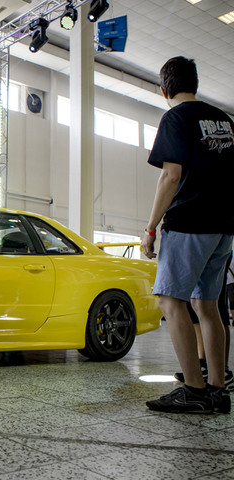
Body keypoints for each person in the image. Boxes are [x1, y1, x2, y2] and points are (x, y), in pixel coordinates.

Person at [142, 56, 234, 414]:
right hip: (222, 227)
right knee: (207, 306)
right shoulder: (224, 120)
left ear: (164, 90)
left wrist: (151, 227)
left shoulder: (175, 118)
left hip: (189, 221)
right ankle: (217, 389)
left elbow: (171, 175)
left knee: (170, 301)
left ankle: (194, 390)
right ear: (195, 83)